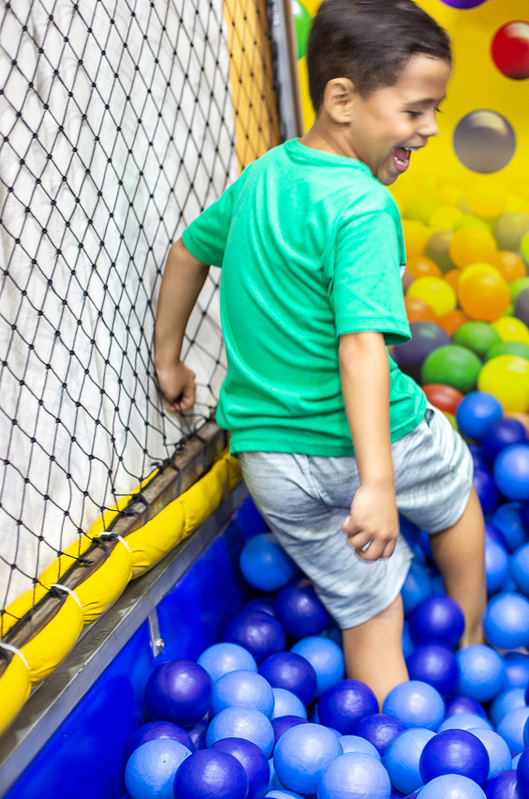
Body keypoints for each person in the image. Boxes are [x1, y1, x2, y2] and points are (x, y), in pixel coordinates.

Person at [152, 0, 484, 704]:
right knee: (455, 489)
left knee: (370, 609)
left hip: (271, 462)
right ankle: (473, 644)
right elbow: (361, 346)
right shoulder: (364, 207)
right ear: (342, 100)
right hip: (369, 443)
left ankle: (390, 744)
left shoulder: (262, 177)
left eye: (436, 110)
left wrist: (169, 359)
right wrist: (378, 483)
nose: (428, 129)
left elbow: (186, 251)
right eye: (416, 110)